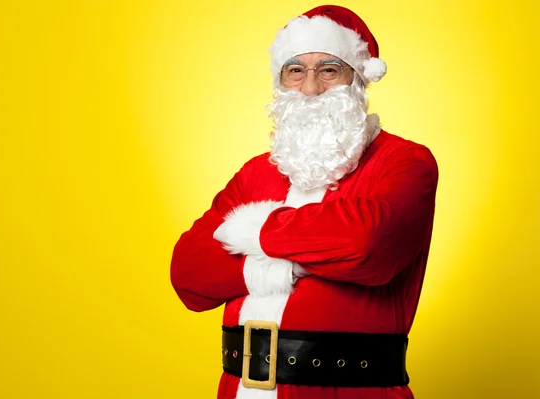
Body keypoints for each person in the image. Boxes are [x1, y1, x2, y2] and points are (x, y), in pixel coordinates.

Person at [170, 5, 439, 399]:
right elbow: (189, 275)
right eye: (295, 71)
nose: (310, 88)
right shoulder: (255, 173)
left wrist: (254, 229)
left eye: (329, 69)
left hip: (349, 390)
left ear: (358, 79)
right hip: (240, 388)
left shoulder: (405, 162)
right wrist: (300, 258)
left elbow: (364, 246)